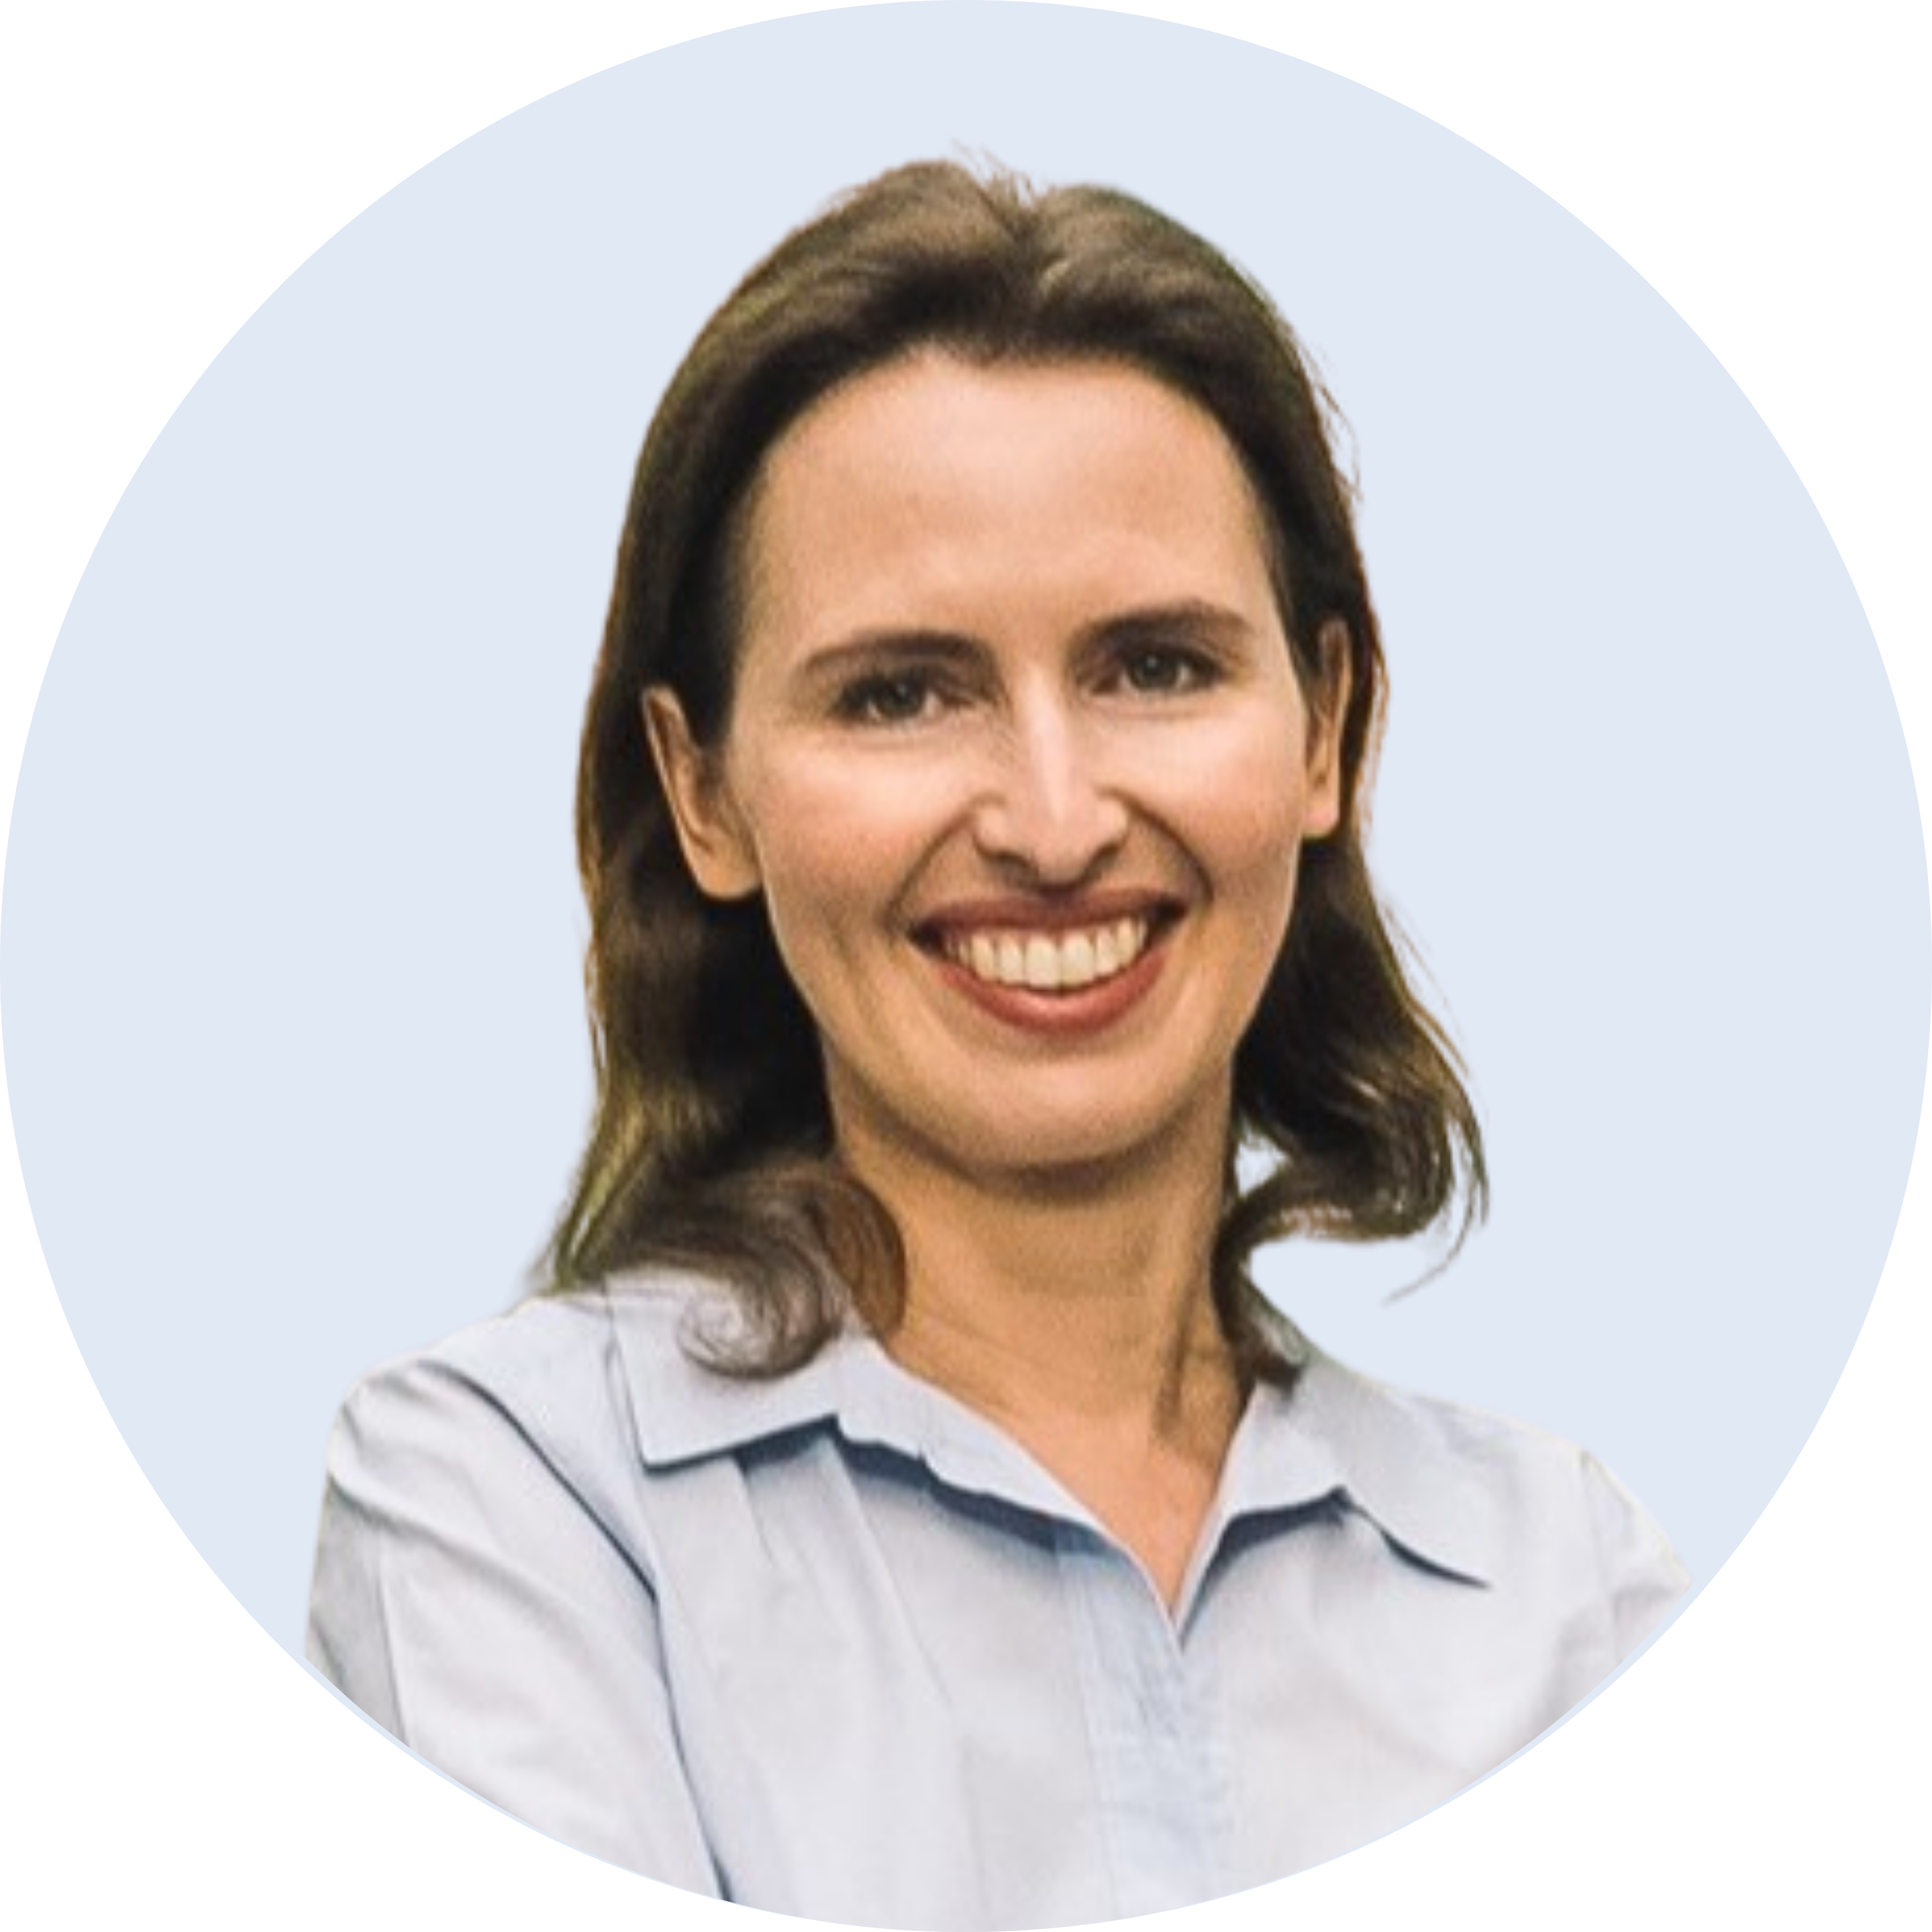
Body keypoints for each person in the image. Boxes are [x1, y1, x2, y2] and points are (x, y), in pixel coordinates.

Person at [308, 160, 1686, 1929]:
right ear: (703, 792)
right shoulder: (513, 1502)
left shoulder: (1566, 1591)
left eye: (1157, 667)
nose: (1053, 821)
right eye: (900, 693)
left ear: (1327, 728)